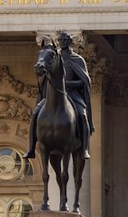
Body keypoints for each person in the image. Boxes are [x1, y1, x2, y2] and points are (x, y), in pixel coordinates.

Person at [27, 32, 95, 160]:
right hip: (53, 95)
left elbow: (84, 81)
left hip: (73, 95)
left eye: (65, 40)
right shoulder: (52, 57)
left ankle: (84, 148)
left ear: (69, 41)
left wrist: (66, 84)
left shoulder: (77, 59)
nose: (62, 42)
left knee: (82, 115)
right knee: (36, 113)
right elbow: (45, 77)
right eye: (60, 40)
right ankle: (31, 148)